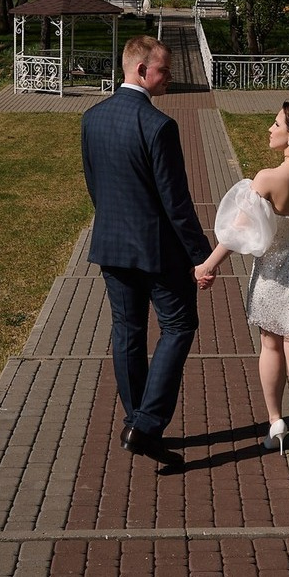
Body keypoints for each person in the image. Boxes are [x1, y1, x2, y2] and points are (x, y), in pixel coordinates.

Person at [81, 35, 215, 471]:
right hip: (159, 253)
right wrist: (202, 255)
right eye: (164, 70)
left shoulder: (92, 118)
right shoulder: (159, 126)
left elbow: (94, 184)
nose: (170, 77)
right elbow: (176, 203)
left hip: (112, 244)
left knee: (128, 331)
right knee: (179, 326)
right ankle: (147, 423)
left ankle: (137, 420)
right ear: (141, 70)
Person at [193, 101, 289, 477]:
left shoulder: (267, 179)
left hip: (275, 273)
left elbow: (237, 234)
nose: (269, 129)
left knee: (271, 345)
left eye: (274, 123)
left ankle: (276, 421)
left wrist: (208, 266)